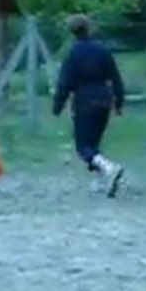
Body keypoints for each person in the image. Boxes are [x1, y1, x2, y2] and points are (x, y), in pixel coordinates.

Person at [52, 14, 126, 197]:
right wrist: (119, 102)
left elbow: (65, 82)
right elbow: (116, 78)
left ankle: (110, 169)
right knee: (94, 145)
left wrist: (57, 105)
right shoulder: (102, 50)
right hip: (104, 100)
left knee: (83, 147)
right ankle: (103, 183)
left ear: (72, 32)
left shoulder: (73, 53)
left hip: (85, 101)